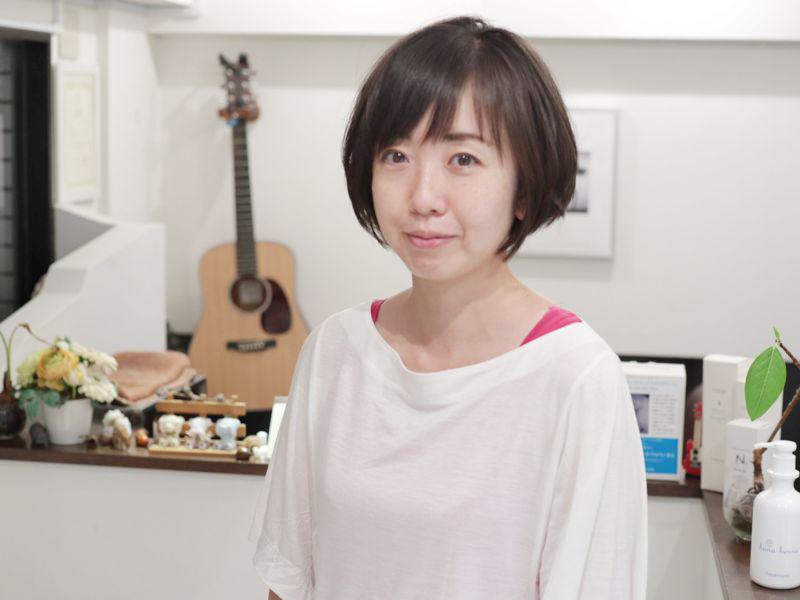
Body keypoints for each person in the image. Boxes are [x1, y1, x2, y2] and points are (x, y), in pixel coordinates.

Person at [249, 15, 647, 600]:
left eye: (463, 159)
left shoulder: (576, 376)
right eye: (396, 155)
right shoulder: (335, 350)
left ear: (524, 187)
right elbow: (289, 579)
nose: (423, 198)